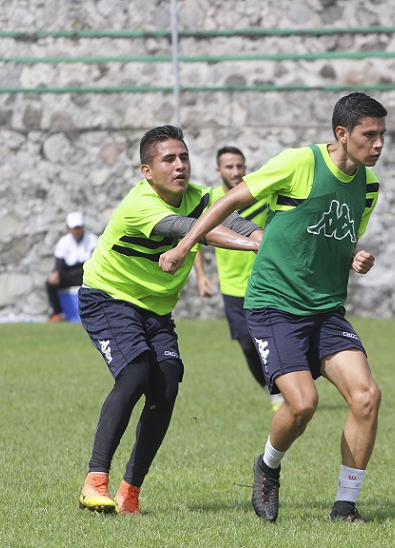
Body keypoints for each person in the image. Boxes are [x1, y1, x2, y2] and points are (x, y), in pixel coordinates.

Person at [159, 92, 388, 523]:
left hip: (325, 309)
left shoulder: (368, 186)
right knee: (302, 404)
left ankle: (345, 506)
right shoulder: (299, 163)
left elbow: (339, 234)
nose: (378, 144)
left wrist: (356, 254)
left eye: (382, 135)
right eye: (368, 135)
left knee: (367, 396)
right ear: (342, 134)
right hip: (275, 304)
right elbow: (227, 202)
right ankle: (268, 467)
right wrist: (186, 245)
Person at [77, 125, 262, 515]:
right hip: (108, 297)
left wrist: (262, 233)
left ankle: (130, 493)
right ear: (147, 171)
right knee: (136, 372)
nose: (180, 166)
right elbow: (195, 231)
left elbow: (239, 221)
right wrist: (253, 244)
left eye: (184, 157)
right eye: (169, 159)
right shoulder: (139, 205)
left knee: (167, 384)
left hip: (156, 309)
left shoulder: (200, 198)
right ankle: (95, 481)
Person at [193, 146, 285, 413]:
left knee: (274, 340)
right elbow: (196, 239)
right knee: (247, 344)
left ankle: (286, 388)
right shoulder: (212, 202)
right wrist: (201, 276)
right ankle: (273, 391)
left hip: (267, 282)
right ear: (218, 170)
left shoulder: (260, 194)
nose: (235, 172)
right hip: (233, 288)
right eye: (229, 167)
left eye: (239, 166)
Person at [45, 211, 98, 322]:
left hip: (86, 273)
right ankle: (57, 313)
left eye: (78, 228)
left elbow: (96, 261)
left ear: (82, 227)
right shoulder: (64, 242)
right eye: (74, 228)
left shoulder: (92, 240)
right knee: (50, 283)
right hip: (69, 274)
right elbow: (59, 263)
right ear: (69, 228)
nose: (76, 231)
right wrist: (56, 273)